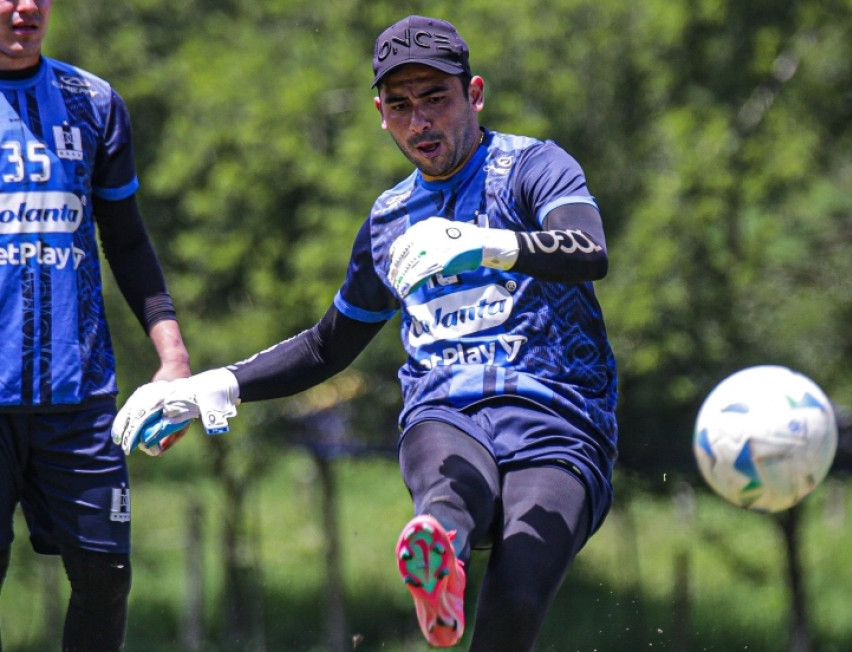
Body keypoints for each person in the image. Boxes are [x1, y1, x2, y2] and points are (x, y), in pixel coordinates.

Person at [114, 14, 616, 650]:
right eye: (401, 105)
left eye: (436, 98)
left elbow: (589, 248)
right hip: (449, 409)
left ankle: (454, 570)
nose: (420, 121)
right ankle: (437, 554)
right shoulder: (388, 221)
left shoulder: (533, 167)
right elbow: (328, 345)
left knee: (516, 600)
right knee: (447, 491)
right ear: (380, 113)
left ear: (476, 94)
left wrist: (486, 245)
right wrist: (218, 384)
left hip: (558, 417)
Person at [0, 1, 192, 650]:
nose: (22, 8)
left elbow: (128, 240)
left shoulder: (94, 101)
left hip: (78, 395)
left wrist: (172, 356)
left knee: (107, 577)